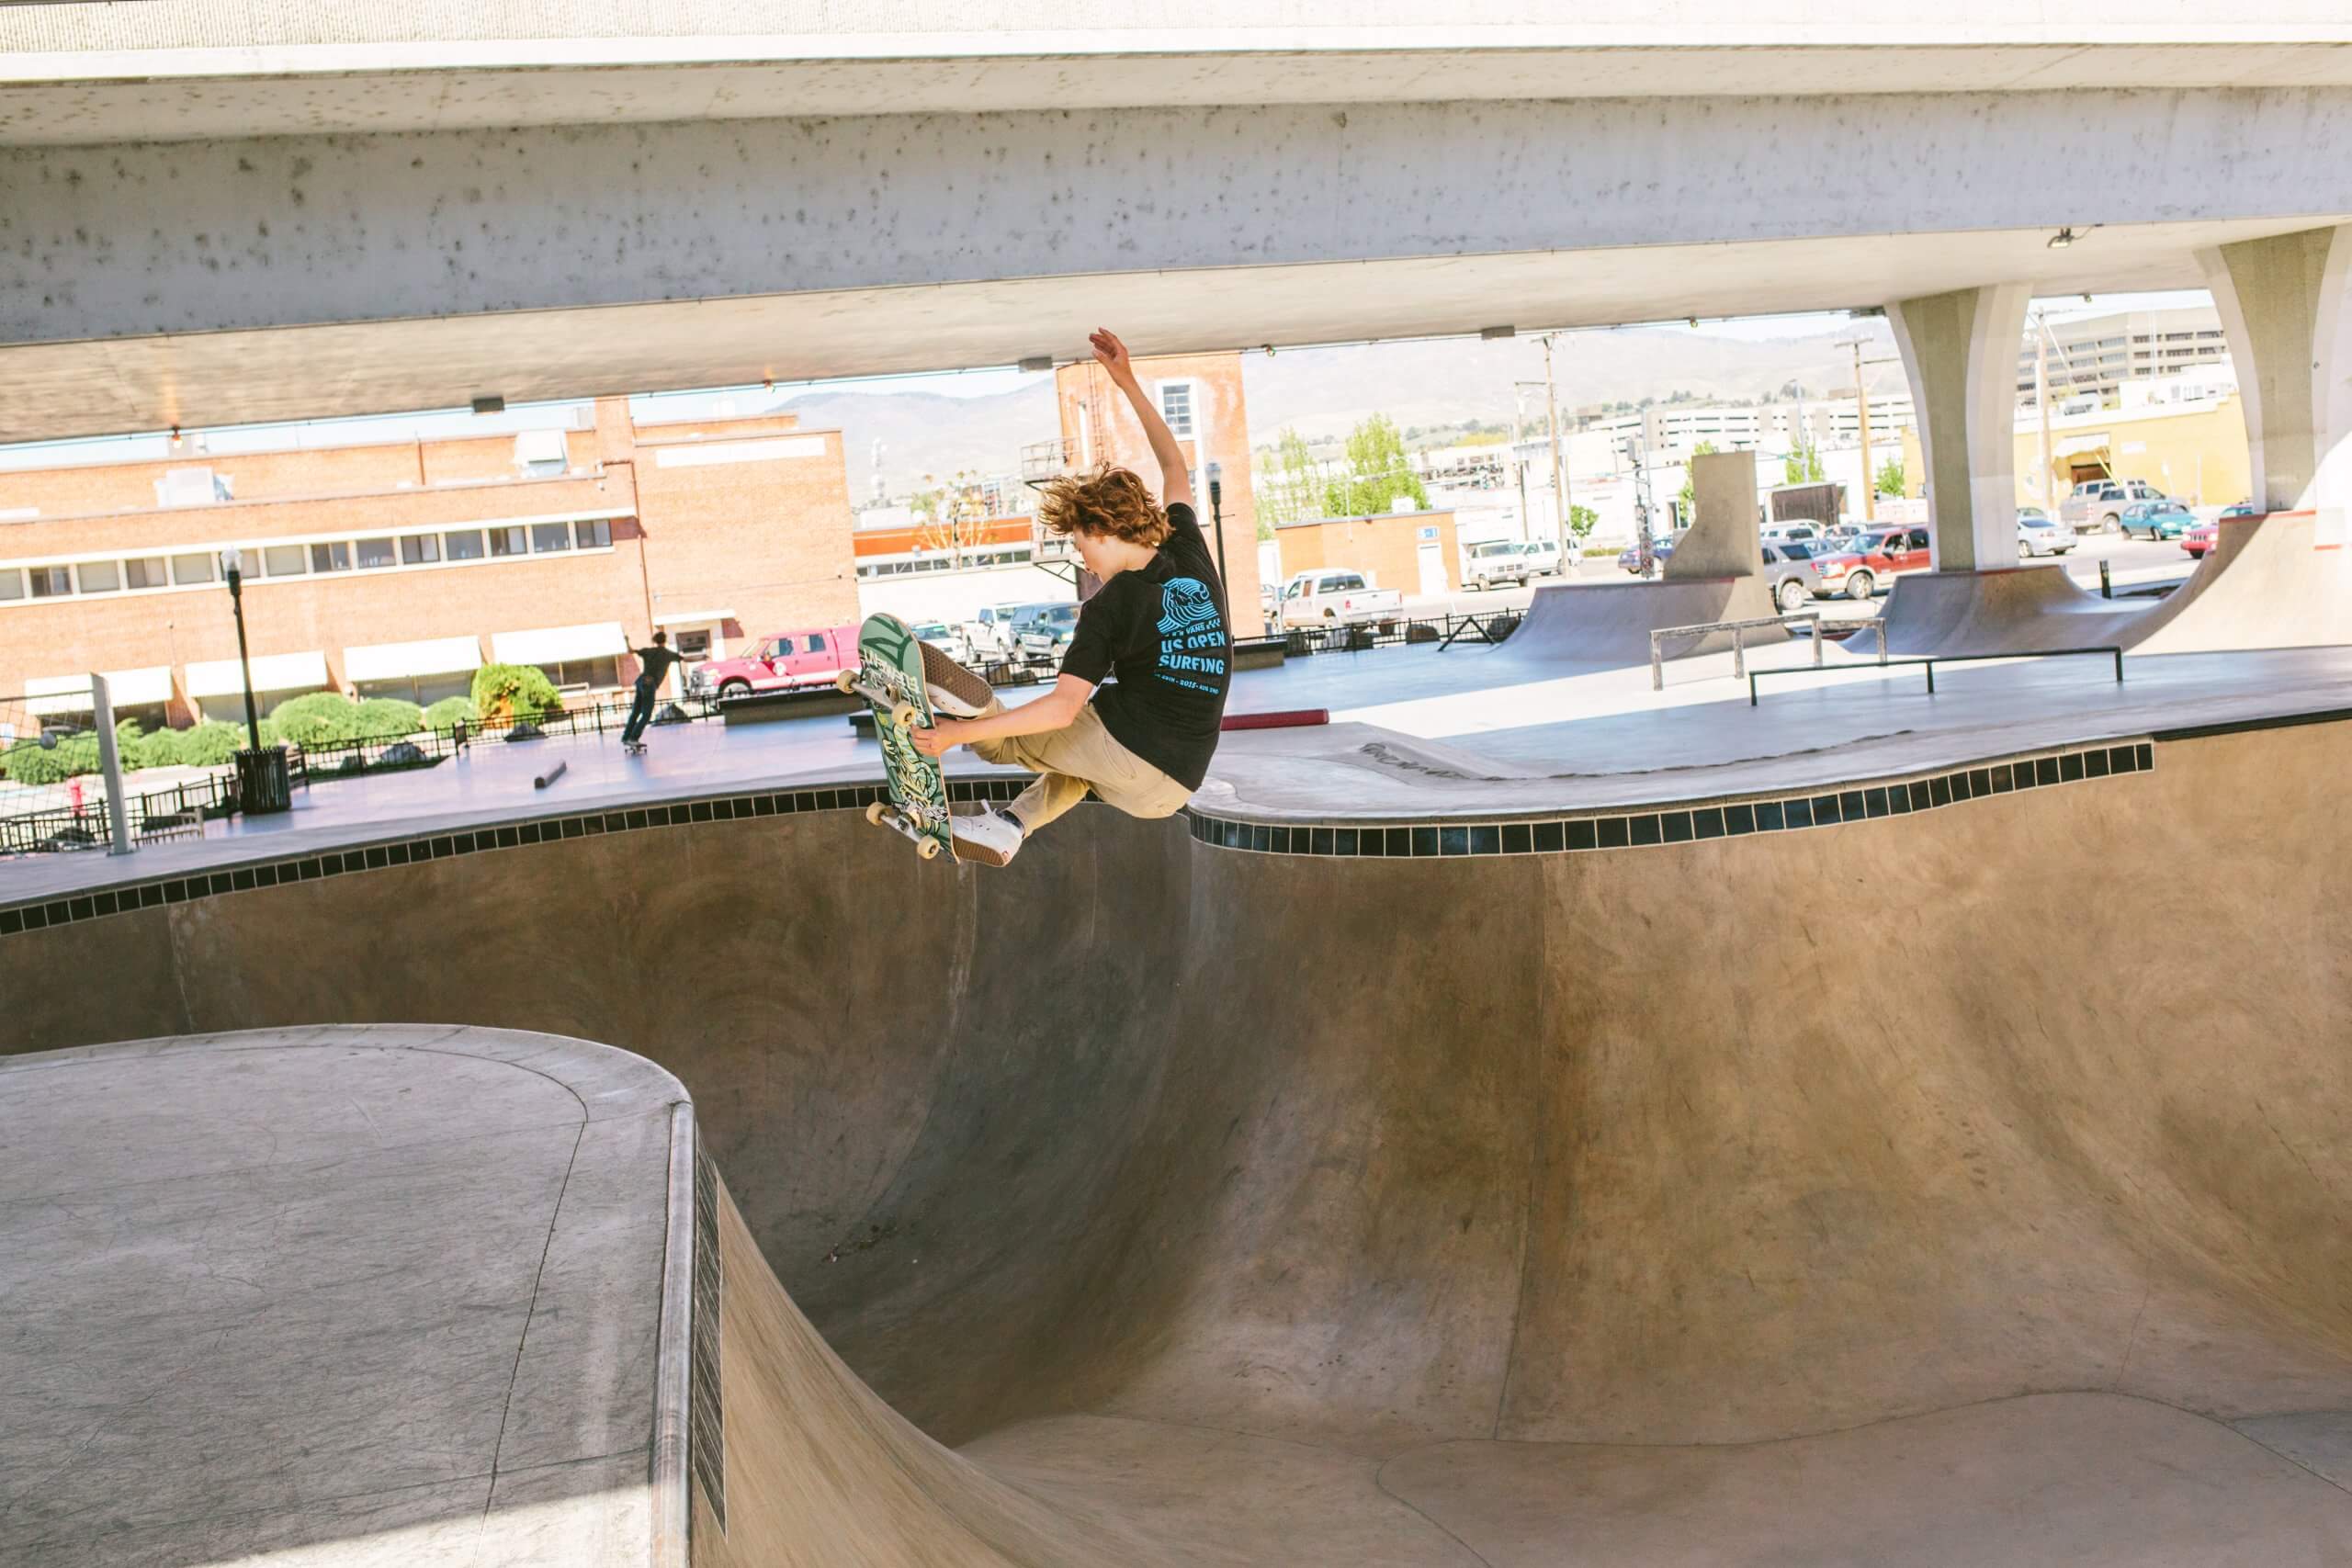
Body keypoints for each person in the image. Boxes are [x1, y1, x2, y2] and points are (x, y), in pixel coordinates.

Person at [912, 327, 1230, 866]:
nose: (1084, 561)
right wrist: (1126, 380)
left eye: (1083, 546)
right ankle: (1012, 825)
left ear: (1105, 531)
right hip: (1177, 784)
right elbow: (1175, 465)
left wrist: (955, 737)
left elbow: (1061, 709)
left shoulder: (1107, 608)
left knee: (1004, 744)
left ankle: (968, 705)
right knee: (1081, 759)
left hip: (1131, 755)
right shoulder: (1190, 552)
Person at [622, 631, 680, 749]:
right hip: (649, 683)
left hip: (640, 681)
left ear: (655, 641)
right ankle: (633, 738)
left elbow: (630, 651)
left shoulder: (648, 651)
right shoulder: (667, 654)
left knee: (636, 712)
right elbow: (686, 659)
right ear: (665, 640)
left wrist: (626, 640)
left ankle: (626, 737)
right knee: (646, 714)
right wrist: (702, 656)